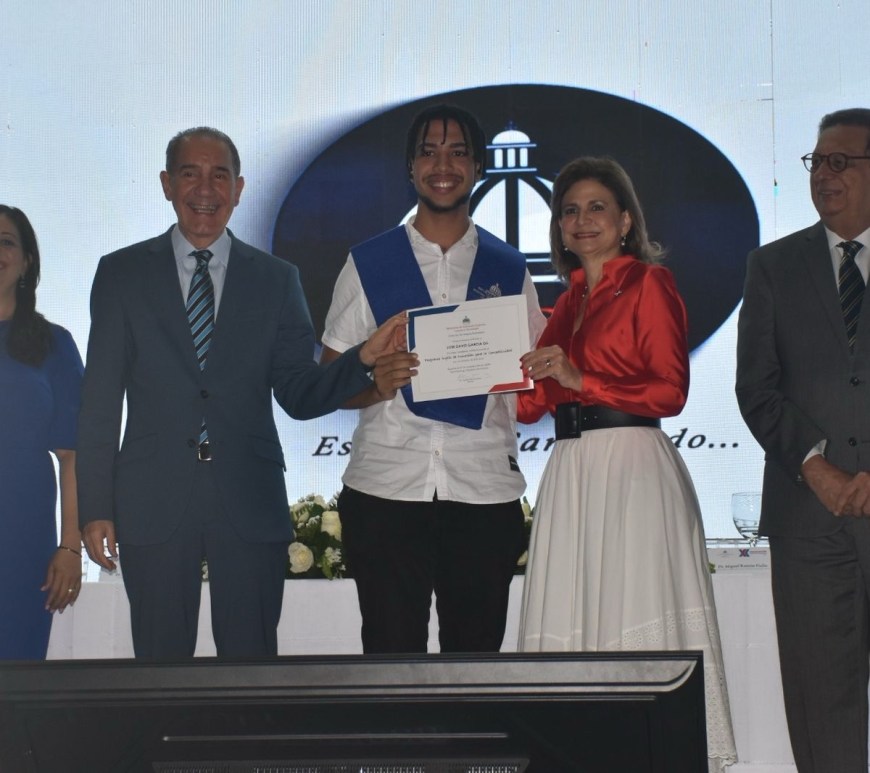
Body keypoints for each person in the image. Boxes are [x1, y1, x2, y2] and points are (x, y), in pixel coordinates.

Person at [76, 127, 405, 659]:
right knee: (159, 670)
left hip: (248, 500)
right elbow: (99, 402)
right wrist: (95, 506)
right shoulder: (121, 273)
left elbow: (299, 393)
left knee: (251, 668)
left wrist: (362, 358)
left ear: (239, 188)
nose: (205, 189)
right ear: (166, 184)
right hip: (151, 500)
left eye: (220, 175)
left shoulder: (277, 279)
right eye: (190, 173)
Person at [516, 157, 736, 771]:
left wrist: (581, 378)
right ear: (558, 228)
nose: (581, 220)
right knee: (576, 617)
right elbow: (531, 407)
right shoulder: (565, 303)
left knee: (636, 608)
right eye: (569, 210)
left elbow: (670, 391)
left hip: (633, 466)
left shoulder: (649, 284)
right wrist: (484, 367)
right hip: (572, 471)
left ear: (625, 221)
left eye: (597, 208)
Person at [320, 104, 546, 653]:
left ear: (478, 166)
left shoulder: (509, 267)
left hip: (483, 492)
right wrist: (376, 382)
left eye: (458, 152)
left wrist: (540, 371)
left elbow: (532, 385)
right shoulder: (369, 263)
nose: (443, 165)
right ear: (410, 167)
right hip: (387, 489)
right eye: (428, 152)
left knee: (476, 669)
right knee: (391, 668)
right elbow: (328, 380)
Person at [736, 107, 870, 773]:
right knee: (822, 711)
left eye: (841, 161)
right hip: (810, 519)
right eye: (817, 162)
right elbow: (756, 389)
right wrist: (818, 468)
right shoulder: (772, 266)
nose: (824, 174)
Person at [0, 205, 84, 660]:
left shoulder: (54, 344)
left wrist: (70, 547)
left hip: (22, 542)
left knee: (15, 684)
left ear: (27, 260)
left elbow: (73, 455)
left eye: (6, 242)